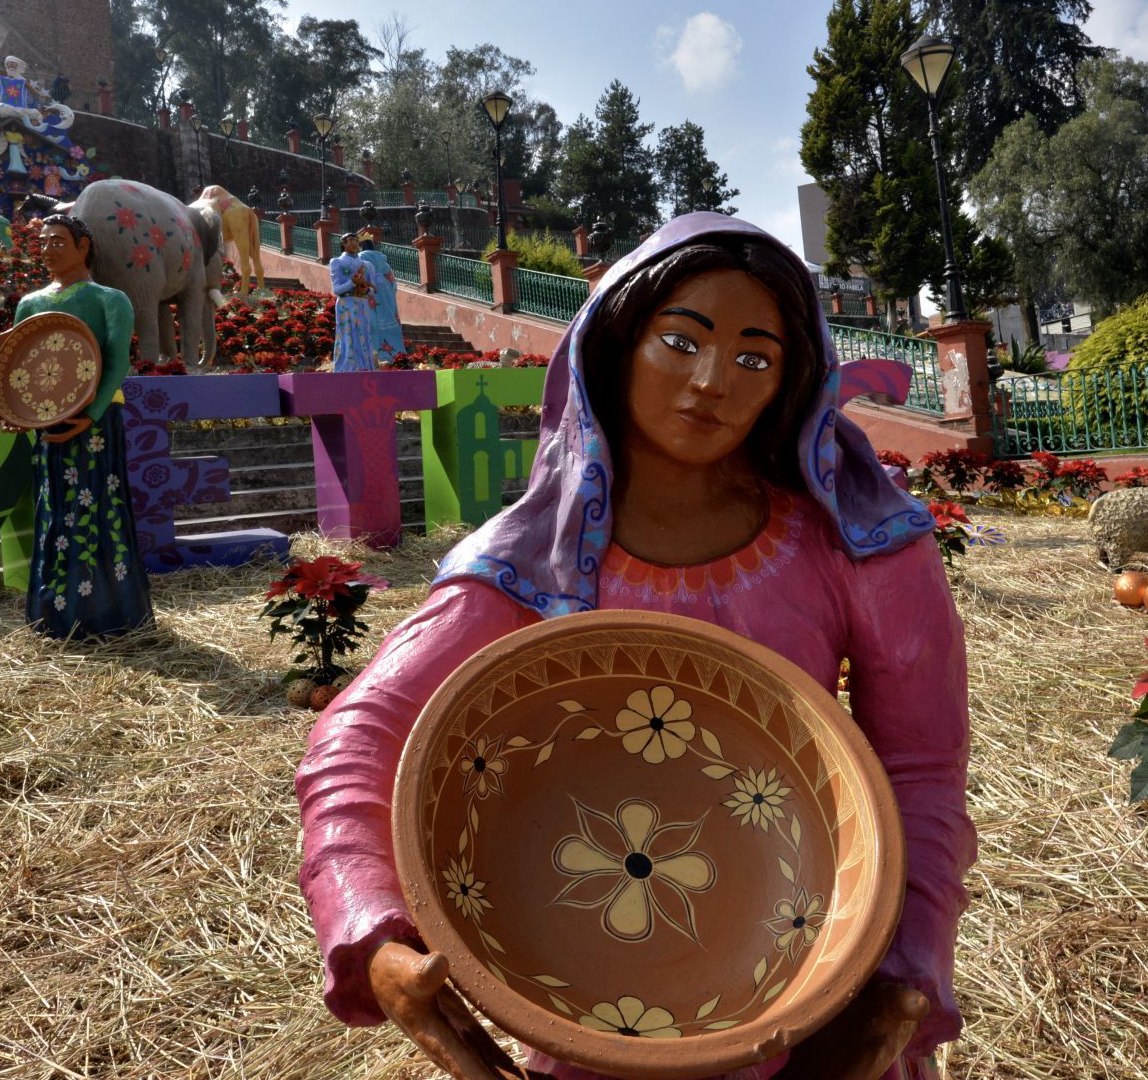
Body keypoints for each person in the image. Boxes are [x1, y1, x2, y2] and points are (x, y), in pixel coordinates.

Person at [294, 213, 974, 1080]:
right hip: (594, 1010)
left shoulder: (860, 548)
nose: (712, 382)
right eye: (680, 341)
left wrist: (896, 976)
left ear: (789, 380)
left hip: (815, 1001)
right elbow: (362, 736)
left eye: (754, 358)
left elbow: (919, 774)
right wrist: (376, 931)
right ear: (616, 345)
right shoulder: (529, 561)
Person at [7, 214, 153, 638]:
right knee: (53, 510)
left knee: (96, 510)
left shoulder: (111, 299)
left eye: (58, 241)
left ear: (83, 246)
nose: (47, 248)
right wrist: (15, 411)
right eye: (43, 241)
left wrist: (87, 418)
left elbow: (117, 364)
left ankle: (110, 617)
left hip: (93, 425)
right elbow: (23, 366)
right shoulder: (29, 303)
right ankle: (55, 618)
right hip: (47, 424)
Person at [329, 232, 376, 373]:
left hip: (362, 303)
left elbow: (373, 290)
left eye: (356, 240)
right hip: (345, 302)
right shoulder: (337, 262)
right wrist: (352, 282)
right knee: (347, 333)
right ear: (343, 243)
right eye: (350, 240)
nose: (354, 243)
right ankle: (347, 367)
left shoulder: (367, 265)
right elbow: (337, 290)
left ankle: (365, 366)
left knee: (364, 333)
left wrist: (365, 290)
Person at [356, 237, 406, 365]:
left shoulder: (360, 260)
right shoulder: (385, 264)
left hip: (370, 299)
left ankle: (376, 356)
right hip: (387, 301)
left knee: (372, 325)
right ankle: (396, 356)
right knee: (390, 326)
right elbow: (393, 286)